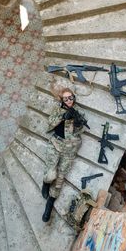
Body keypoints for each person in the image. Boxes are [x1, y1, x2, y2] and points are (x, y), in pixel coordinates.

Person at [41, 87, 88, 222]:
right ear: (61, 100)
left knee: (60, 179)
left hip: (70, 148)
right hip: (56, 144)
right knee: (51, 175)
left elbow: (81, 129)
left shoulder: (79, 111)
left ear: (74, 97)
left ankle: (50, 204)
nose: (69, 101)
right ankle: (45, 182)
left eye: (71, 97)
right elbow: (50, 123)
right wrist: (63, 117)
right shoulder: (57, 109)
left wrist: (78, 124)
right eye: (66, 99)